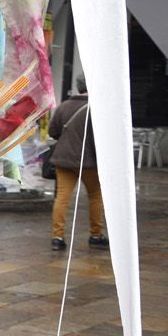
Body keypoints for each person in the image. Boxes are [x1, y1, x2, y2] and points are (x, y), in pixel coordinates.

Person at [49, 86, 107, 250]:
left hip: (64, 159)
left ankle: (57, 237)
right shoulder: (99, 108)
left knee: (62, 197)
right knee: (95, 196)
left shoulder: (64, 106)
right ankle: (95, 235)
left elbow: (53, 131)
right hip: (89, 161)